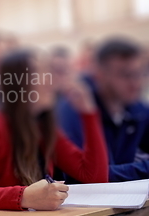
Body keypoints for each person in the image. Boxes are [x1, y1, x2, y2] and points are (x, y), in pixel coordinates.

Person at [0, 50, 108, 211]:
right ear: (18, 83)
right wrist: (23, 197)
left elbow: (94, 177)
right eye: (39, 73)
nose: (51, 81)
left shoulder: (42, 126)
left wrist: (88, 113)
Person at [58, 37, 149, 182]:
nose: (135, 83)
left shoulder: (137, 108)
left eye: (140, 73)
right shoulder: (76, 107)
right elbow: (88, 175)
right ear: (100, 75)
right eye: (125, 75)